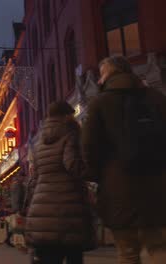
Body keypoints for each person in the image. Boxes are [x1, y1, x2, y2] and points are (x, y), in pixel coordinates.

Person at [82, 55, 166, 264]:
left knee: (127, 251)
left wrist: (94, 175)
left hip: (118, 187)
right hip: (158, 185)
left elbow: (88, 146)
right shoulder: (156, 97)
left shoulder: (100, 103)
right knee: (158, 247)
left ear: (107, 74)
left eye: (101, 75)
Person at [25, 101, 93, 264]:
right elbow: (72, 165)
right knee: (73, 255)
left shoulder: (39, 141)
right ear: (67, 115)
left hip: (42, 207)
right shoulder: (70, 133)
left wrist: (27, 205)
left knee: (49, 257)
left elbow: (35, 177)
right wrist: (94, 171)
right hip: (68, 206)